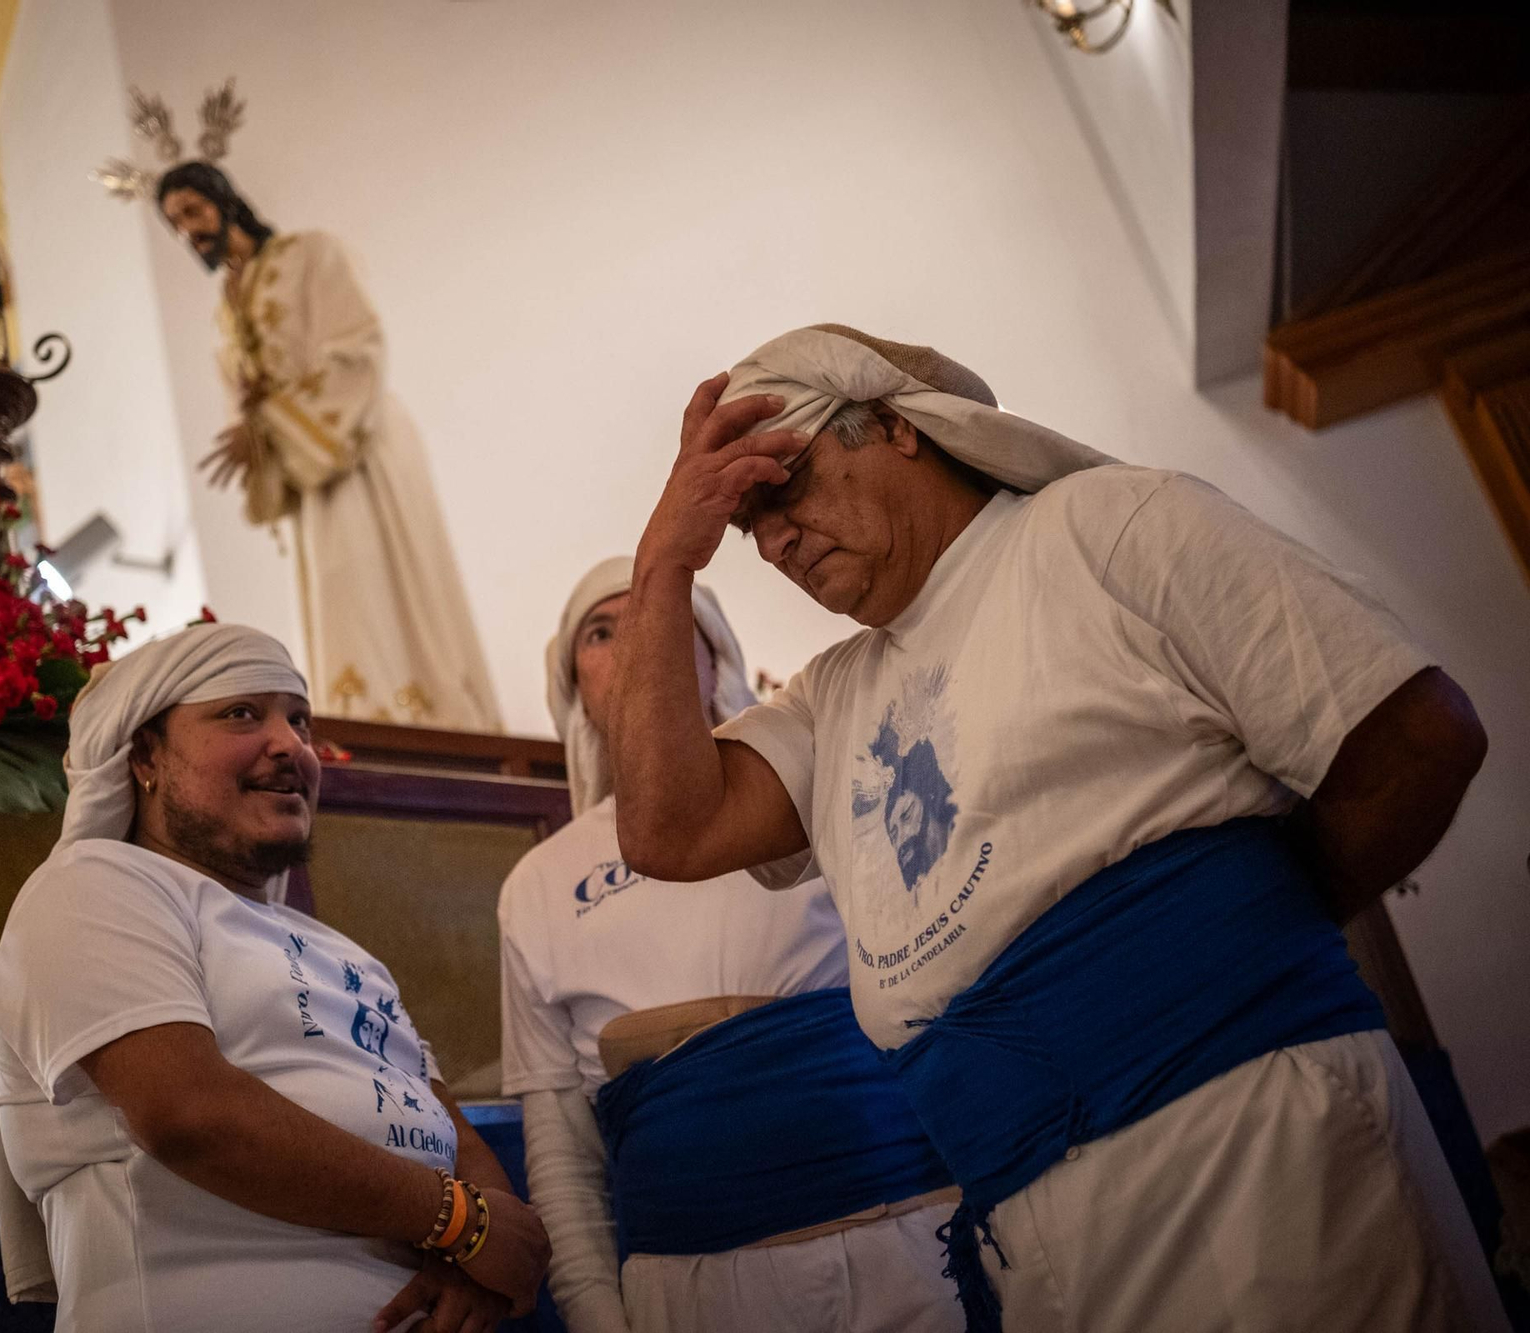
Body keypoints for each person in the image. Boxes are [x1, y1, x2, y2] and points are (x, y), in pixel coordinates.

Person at [608, 323, 1507, 1332]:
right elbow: (663, 831)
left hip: (1263, 1151)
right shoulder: (830, 699)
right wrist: (663, 565)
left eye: (786, 484)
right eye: (744, 524)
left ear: (898, 428)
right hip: (1025, 1222)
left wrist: (1219, 944)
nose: (771, 540)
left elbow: (1416, 737)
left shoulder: (1107, 529)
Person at [0, 621, 549, 1332]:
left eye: (299, 718)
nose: (292, 745)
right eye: (242, 713)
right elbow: (189, 1113)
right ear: (145, 755)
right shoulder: (95, 884)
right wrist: (458, 1221)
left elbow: (454, 1135)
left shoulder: (348, 953)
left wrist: (474, 1260)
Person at [500, 556, 962, 1333]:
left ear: (715, 659)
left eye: (665, 619)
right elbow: (564, 1156)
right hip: (689, 1290)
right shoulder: (537, 884)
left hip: (912, 1243)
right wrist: (597, 1314)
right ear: (574, 687)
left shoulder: (819, 797)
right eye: (604, 632)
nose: (639, 644)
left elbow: (943, 1003)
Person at [152, 159, 502, 732]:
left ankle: (421, 716)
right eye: (175, 223)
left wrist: (270, 423)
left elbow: (358, 350)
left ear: (224, 199)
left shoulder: (309, 255)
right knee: (336, 588)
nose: (188, 229)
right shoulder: (225, 308)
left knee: (377, 576)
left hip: (355, 447)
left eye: (192, 210)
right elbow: (242, 399)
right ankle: (359, 714)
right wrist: (255, 434)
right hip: (304, 470)